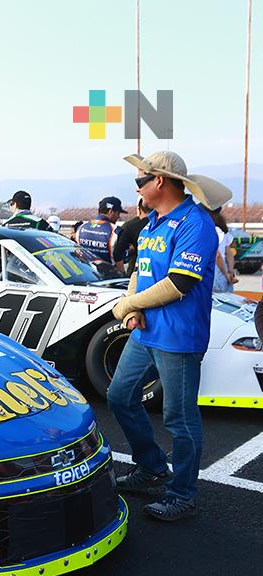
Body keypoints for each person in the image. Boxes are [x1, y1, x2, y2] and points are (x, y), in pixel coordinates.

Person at [107, 151, 231, 521]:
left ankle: (182, 494)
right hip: (146, 333)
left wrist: (125, 305)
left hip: (178, 337)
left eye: (140, 180)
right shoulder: (151, 225)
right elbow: (142, 273)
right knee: (120, 396)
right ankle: (152, 467)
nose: (138, 188)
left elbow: (179, 283)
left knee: (179, 418)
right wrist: (132, 309)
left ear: (159, 181)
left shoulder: (196, 223)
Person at [77, 197, 127, 271]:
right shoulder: (116, 231)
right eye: (118, 213)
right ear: (110, 211)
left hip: (86, 274)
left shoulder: (81, 228)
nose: (118, 216)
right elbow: (120, 260)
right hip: (109, 277)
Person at [113, 200, 151, 275]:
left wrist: (122, 273)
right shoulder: (164, 225)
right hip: (160, 272)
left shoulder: (129, 226)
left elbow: (117, 252)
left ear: (139, 209)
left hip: (136, 271)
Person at [210, 208, 237, 293]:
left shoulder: (209, 231)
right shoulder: (223, 232)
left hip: (216, 269)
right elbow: (229, 253)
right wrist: (230, 271)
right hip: (224, 266)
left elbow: (217, 256)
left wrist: (226, 275)